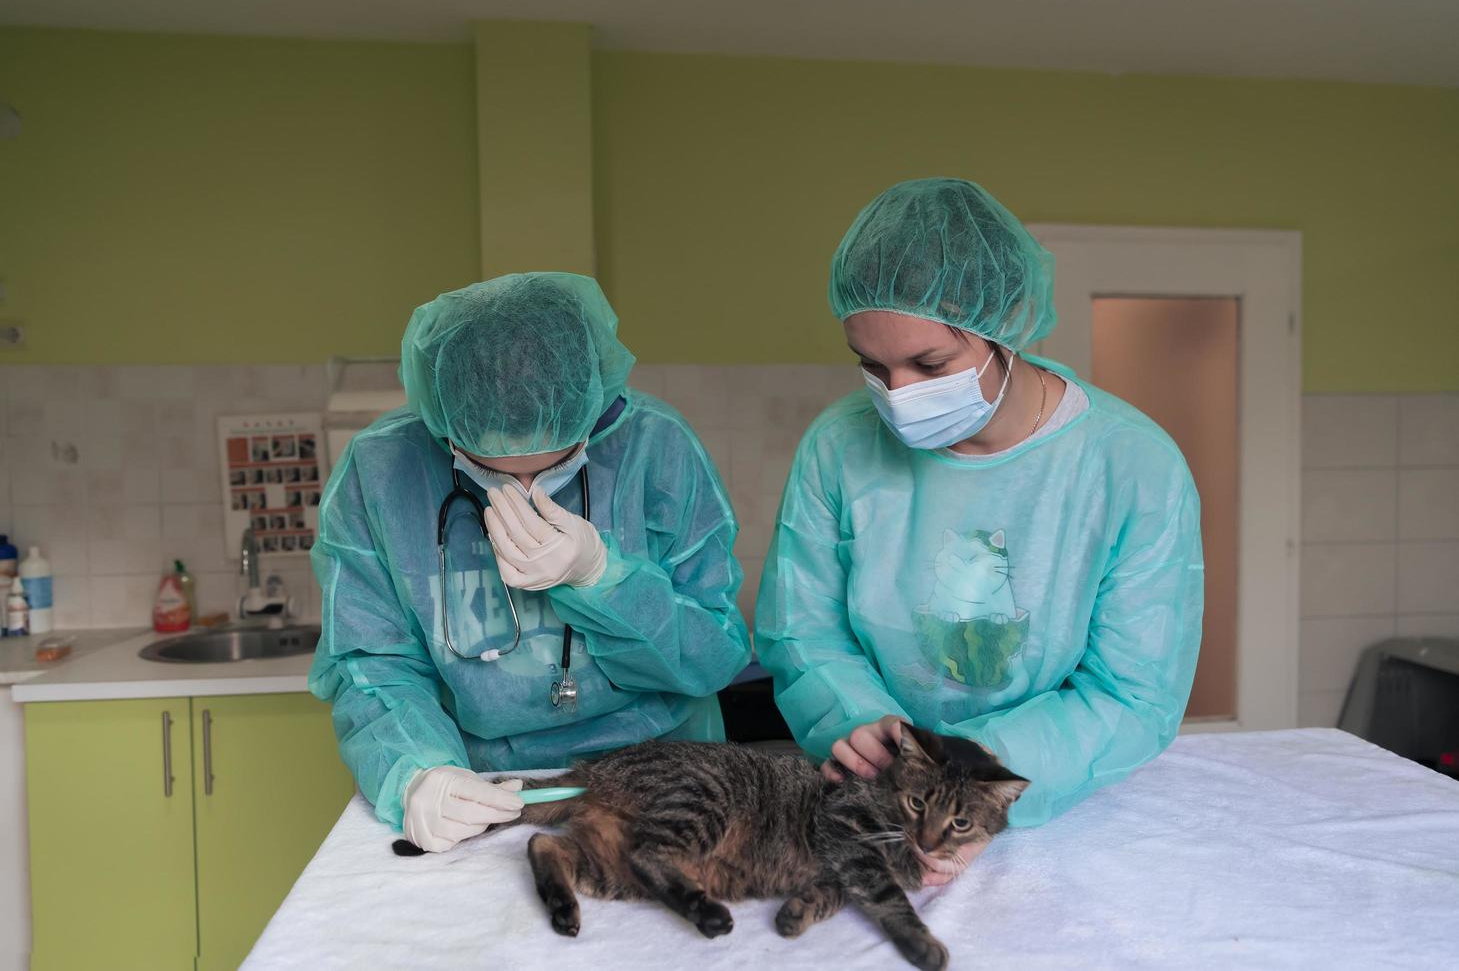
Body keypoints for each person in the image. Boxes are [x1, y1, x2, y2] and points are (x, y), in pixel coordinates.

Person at [756, 178, 1204, 884]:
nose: (898, 395)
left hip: (1045, 801)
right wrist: (860, 725)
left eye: (929, 364)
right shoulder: (838, 446)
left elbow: (1131, 692)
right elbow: (802, 631)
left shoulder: (1130, 463)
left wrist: (973, 778)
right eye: (872, 367)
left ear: (1009, 326)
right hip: (879, 797)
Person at [311, 272, 751, 853]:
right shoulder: (382, 469)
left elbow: (714, 655)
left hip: (667, 782)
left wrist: (604, 579)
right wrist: (416, 769)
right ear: (445, 427)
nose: (524, 488)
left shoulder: (655, 448)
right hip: (489, 793)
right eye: (490, 466)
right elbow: (372, 662)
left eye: (557, 461)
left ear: (590, 411)